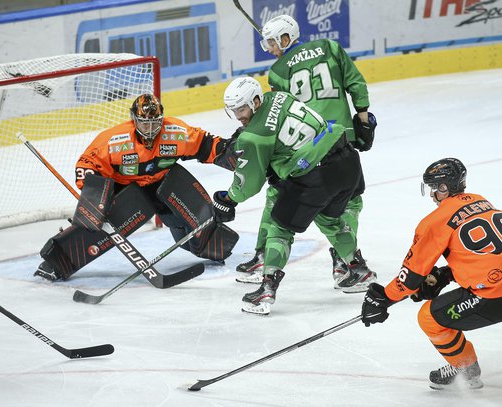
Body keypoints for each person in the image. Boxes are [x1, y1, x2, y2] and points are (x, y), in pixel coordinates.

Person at [236, 14, 377, 292]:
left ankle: (263, 257)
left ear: (286, 39)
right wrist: (362, 120)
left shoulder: (277, 71)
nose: (270, 49)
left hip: (305, 142)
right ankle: (343, 261)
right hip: (341, 138)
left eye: (272, 43)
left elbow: (281, 110)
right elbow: (356, 84)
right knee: (349, 200)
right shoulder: (330, 47)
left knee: (276, 195)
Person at [35, 94, 240, 281]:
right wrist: (95, 197)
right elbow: (86, 165)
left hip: (165, 183)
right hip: (128, 190)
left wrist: (230, 150)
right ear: (134, 119)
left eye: (155, 123)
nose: (150, 129)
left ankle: (213, 247)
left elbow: (206, 145)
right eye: (145, 123)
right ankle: (56, 261)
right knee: (100, 224)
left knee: (196, 222)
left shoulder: (176, 132)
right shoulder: (115, 140)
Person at [212, 77, 364, 315]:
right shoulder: (278, 96)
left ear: (254, 102)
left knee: (279, 227)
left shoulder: (253, 136)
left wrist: (228, 199)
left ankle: (266, 290)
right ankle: (359, 270)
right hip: (347, 159)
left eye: (241, 109)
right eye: (233, 111)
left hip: (316, 175)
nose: (238, 115)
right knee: (330, 221)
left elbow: (249, 184)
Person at [361, 158, 502, 390]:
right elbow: (487, 256)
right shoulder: (482, 202)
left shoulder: (434, 221)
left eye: (434, 188)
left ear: (444, 188)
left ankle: (466, 368)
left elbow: (411, 278)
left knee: (429, 317)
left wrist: (383, 297)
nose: (432, 194)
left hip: (492, 296)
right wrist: (446, 275)